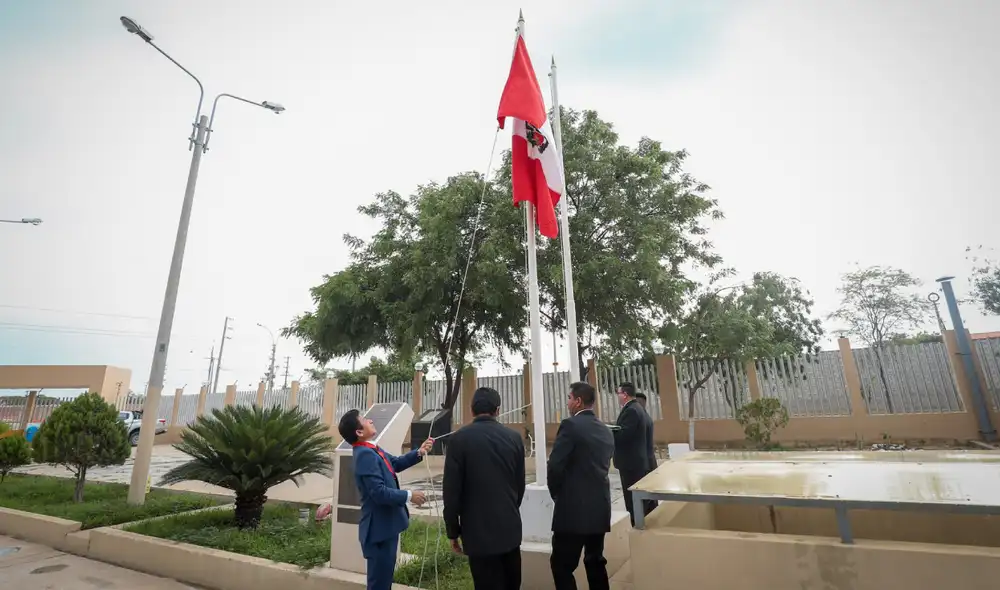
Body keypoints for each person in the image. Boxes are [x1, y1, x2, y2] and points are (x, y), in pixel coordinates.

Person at [338, 409, 434, 590]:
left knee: (383, 582)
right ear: (359, 432)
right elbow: (379, 493)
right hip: (379, 532)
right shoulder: (364, 455)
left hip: (385, 528)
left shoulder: (371, 448)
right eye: (365, 420)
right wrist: (409, 495)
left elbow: (395, 463)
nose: (371, 420)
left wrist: (419, 452)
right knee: (379, 585)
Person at [443, 387, 526, 590]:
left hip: (477, 533)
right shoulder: (514, 438)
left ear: (471, 410)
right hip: (509, 529)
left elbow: (451, 492)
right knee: (511, 583)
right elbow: (520, 485)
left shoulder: (458, 440)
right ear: (497, 410)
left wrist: (453, 531)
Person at [547, 382, 615, 590]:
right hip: (600, 508)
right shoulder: (606, 430)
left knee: (562, 566)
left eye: (569, 397)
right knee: (595, 561)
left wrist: (558, 495)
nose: (567, 402)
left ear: (578, 401)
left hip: (573, 510)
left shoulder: (570, 425)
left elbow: (555, 466)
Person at [613, 382, 657, 527]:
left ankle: (637, 526)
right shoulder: (639, 409)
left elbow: (625, 435)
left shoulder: (631, 410)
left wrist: (610, 433)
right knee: (644, 500)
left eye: (618, 393)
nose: (617, 396)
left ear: (624, 394)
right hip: (640, 462)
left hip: (631, 464)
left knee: (633, 500)